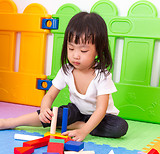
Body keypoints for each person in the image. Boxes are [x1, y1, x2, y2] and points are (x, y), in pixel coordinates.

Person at [0, 12, 128, 141]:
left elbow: (101, 109)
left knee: (120, 127)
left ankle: (77, 126)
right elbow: (49, 95)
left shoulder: (102, 75)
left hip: (101, 117)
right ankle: (10, 122)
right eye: (71, 48)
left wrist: (84, 131)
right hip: (76, 111)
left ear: (99, 49)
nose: (75, 55)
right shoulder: (67, 70)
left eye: (83, 51)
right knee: (53, 114)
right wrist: (44, 108)